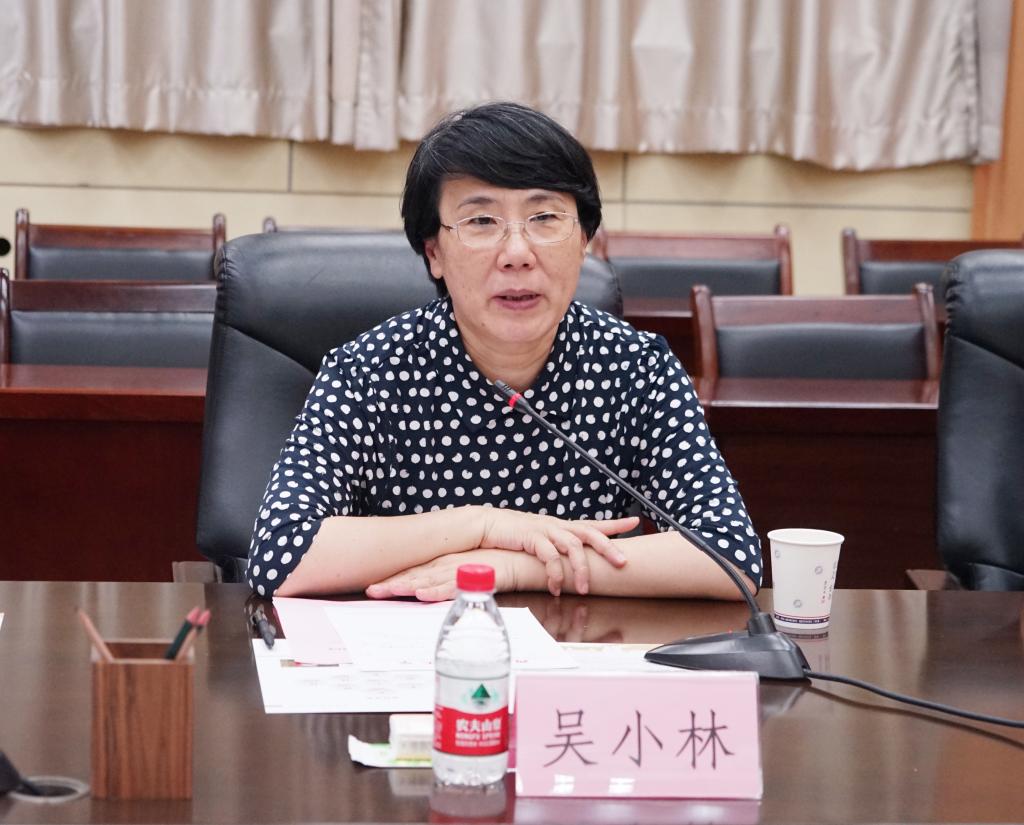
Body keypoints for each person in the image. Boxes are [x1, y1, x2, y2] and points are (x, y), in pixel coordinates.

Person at [247, 101, 761, 602]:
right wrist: (484, 525)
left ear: (584, 239)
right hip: (412, 649)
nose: (517, 253)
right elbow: (278, 555)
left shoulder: (635, 368)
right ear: (434, 253)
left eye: (545, 217)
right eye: (481, 222)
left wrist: (514, 567)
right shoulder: (369, 372)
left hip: (577, 650)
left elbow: (731, 555)